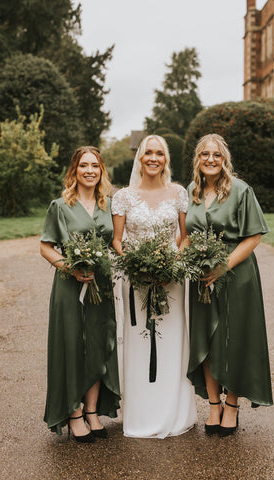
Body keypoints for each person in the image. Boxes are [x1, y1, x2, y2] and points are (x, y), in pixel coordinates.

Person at [186, 133, 273, 437]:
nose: (210, 160)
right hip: (200, 279)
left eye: (217, 155)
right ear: (198, 159)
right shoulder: (191, 193)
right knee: (206, 341)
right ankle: (213, 405)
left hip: (236, 276)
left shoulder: (240, 190)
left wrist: (223, 266)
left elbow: (253, 236)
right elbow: (185, 236)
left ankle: (232, 405)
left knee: (233, 339)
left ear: (224, 160)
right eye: (205, 154)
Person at [111, 135, 197, 438]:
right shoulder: (123, 196)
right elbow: (117, 241)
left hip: (171, 279)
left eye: (159, 153)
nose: (153, 158)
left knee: (172, 341)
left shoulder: (178, 193)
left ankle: (173, 412)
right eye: (148, 152)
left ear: (166, 159)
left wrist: (169, 264)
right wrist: (137, 265)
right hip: (135, 280)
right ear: (140, 157)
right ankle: (141, 415)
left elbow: (184, 236)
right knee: (138, 341)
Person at [40, 146, 120, 442]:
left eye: (95, 166)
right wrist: (69, 267)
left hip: (102, 287)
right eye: (84, 165)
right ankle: (73, 414)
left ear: (101, 171)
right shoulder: (60, 206)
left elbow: (116, 243)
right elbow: (46, 246)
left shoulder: (109, 204)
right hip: (69, 288)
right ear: (74, 171)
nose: (89, 171)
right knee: (73, 347)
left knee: (99, 345)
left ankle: (92, 411)